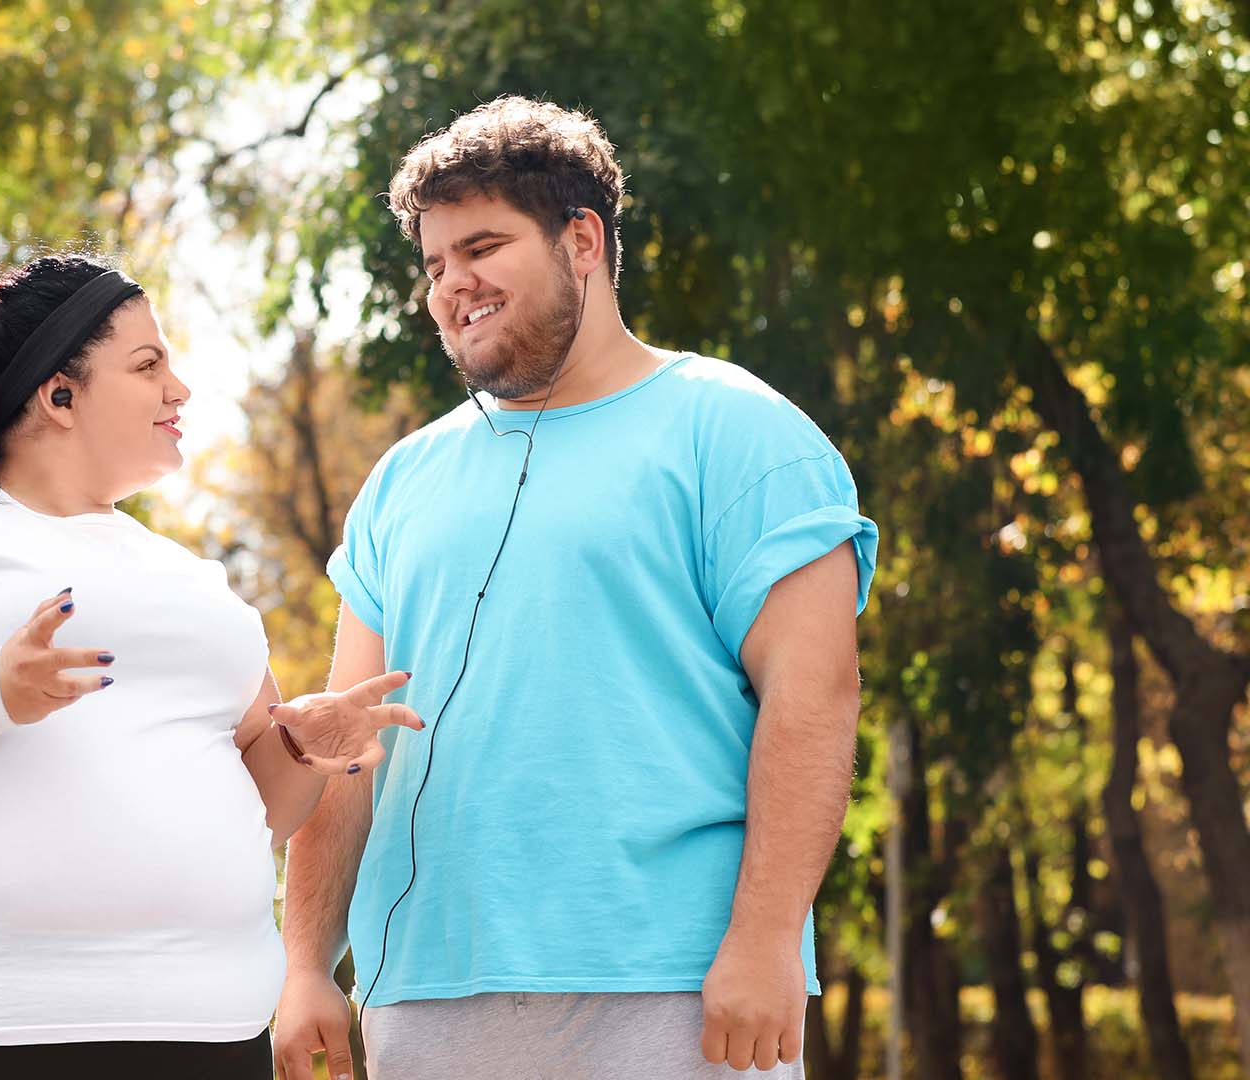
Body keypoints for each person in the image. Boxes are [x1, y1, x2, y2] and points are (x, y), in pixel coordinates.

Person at [271, 96, 880, 1079]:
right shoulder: (401, 480)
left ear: (582, 240)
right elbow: (354, 747)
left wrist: (767, 939)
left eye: (482, 247)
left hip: (675, 987)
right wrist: (304, 963)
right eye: (433, 264)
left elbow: (814, 700)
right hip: (425, 991)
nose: (451, 285)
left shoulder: (741, 432)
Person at [0, 237, 422, 1078]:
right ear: (60, 394)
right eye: (147, 366)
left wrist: (303, 747)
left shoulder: (196, 582)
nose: (180, 389)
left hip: (204, 1036)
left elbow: (259, 811)